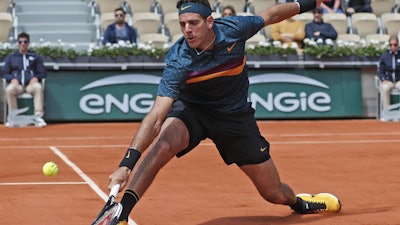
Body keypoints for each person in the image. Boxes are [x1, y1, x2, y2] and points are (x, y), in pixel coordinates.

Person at [108, 0, 341, 224]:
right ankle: (123, 214)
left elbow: (272, 14)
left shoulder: (234, 30)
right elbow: (157, 116)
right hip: (194, 110)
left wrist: (312, 2)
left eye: (193, 23)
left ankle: (300, 203)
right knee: (162, 146)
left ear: (210, 21)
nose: (187, 30)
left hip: (234, 117)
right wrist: (126, 164)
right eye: (182, 24)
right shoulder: (179, 59)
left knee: (274, 193)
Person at [1, 32, 47, 127]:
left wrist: (36, 78)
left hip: (30, 85)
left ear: (28, 43)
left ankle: (38, 117)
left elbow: (43, 73)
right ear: (18, 43)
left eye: (25, 42)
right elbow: (4, 73)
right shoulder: (11, 57)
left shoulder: (35, 57)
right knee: (9, 89)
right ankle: (14, 117)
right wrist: (12, 78)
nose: (22, 44)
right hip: (18, 85)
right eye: (20, 42)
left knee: (38, 87)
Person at [378, 36, 400, 120]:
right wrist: (383, 79)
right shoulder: (384, 56)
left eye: (395, 45)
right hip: (389, 80)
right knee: (384, 88)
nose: (393, 47)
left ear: (398, 45)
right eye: (391, 45)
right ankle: (387, 114)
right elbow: (381, 70)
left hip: (398, 80)